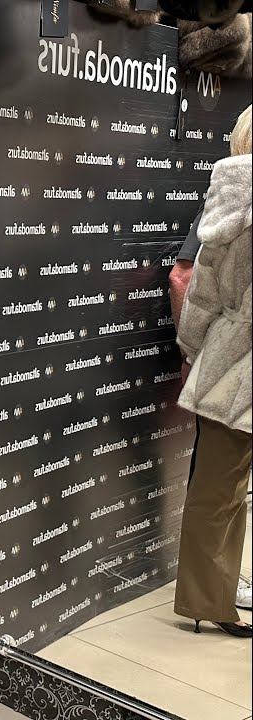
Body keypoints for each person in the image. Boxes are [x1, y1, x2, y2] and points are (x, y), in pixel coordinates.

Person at [174, 104, 252, 638]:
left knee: (222, 485)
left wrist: (195, 349)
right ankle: (210, 599)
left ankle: (213, 596)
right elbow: (199, 286)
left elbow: (202, 292)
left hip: (229, 354)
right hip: (234, 359)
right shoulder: (235, 201)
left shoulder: (230, 200)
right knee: (222, 485)